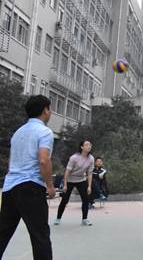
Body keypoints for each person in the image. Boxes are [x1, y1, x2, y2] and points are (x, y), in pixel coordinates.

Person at [0, 95, 55, 260]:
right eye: (50, 108)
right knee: (40, 235)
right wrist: (50, 186)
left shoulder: (18, 133)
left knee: (3, 232)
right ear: (45, 110)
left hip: (10, 188)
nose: (50, 112)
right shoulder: (44, 131)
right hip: (31, 187)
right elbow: (44, 160)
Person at [55, 140, 95, 226]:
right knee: (65, 200)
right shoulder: (74, 158)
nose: (89, 146)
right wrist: (65, 184)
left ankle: (84, 219)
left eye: (90, 145)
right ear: (82, 147)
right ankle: (58, 218)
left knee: (86, 199)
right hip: (70, 180)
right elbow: (67, 171)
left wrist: (89, 186)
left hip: (81, 179)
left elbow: (90, 173)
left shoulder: (91, 158)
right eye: (87, 145)